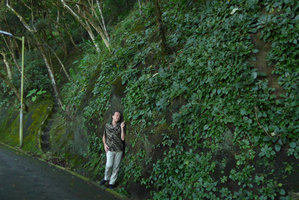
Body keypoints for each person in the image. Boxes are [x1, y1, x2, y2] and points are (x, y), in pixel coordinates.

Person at [99, 111, 125, 189]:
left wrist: (122, 128)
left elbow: (123, 138)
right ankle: (106, 178)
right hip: (110, 149)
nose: (118, 117)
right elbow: (104, 136)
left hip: (119, 149)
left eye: (119, 116)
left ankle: (112, 183)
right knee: (109, 165)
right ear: (112, 116)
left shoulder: (119, 126)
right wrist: (104, 145)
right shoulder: (107, 126)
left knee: (116, 167)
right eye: (116, 115)